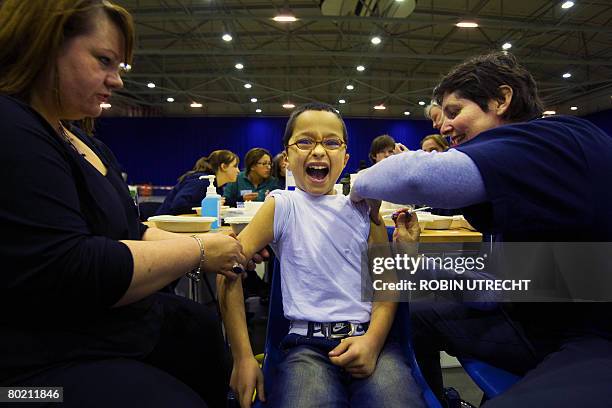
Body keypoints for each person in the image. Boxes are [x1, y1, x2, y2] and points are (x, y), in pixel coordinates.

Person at [0, 2, 249, 407]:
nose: (116, 81)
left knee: (200, 328)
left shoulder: (84, 141)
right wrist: (201, 250)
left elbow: (130, 230)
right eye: (103, 61)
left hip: (115, 329)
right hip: (36, 369)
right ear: (44, 44)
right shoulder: (13, 128)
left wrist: (209, 245)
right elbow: (74, 268)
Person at [350, 52, 612, 406]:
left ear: (502, 100)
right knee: (409, 310)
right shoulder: (525, 184)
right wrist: (412, 263)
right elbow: (496, 288)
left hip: (597, 337)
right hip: (542, 321)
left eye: (455, 112)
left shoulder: (554, 138)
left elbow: (413, 174)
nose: (443, 127)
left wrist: (356, 185)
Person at [217, 102, 425, 408]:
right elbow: (227, 272)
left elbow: (385, 284)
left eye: (331, 142)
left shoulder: (365, 207)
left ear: (345, 158)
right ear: (286, 159)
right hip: (306, 348)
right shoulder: (283, 206)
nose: (318, 151)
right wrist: (244, 358)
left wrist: (373, 341)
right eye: (305, 141)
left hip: (370, 339)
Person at [157, 150, 240, 215]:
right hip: (165, 227)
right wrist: (207, 206)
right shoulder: (201, 181)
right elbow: (178, 206)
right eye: (235, 166)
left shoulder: (216, 186)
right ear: (223, 167)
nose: (238, 171)